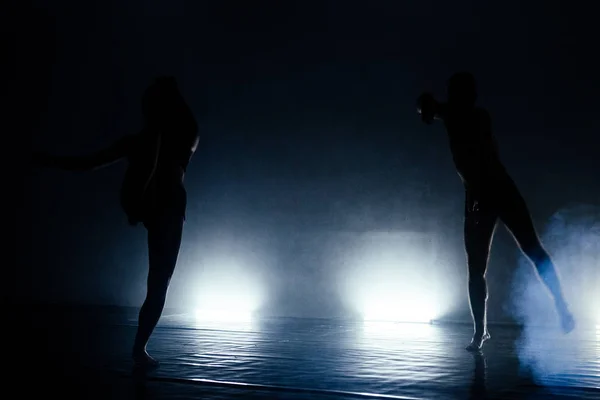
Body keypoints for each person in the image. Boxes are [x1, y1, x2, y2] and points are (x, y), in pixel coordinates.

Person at [33, 76, 200, 367]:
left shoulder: (172, 140)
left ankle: (140, 348)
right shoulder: (167, 140)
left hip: (163, 207)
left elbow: (89, 163)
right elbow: (90, 163)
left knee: (159, 281)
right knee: (159, 282)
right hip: (164, 207)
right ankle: (140, 349)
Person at [417, 72, 575, 351]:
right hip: (482, 195)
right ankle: (481, 332)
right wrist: (426, 108)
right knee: (478, 267)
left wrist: (429, 109)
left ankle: (560, 306)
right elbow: (425, 103)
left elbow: (433, 107)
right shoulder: (455, 113)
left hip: (496, 190)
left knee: (530, 249)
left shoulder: (473, 116)